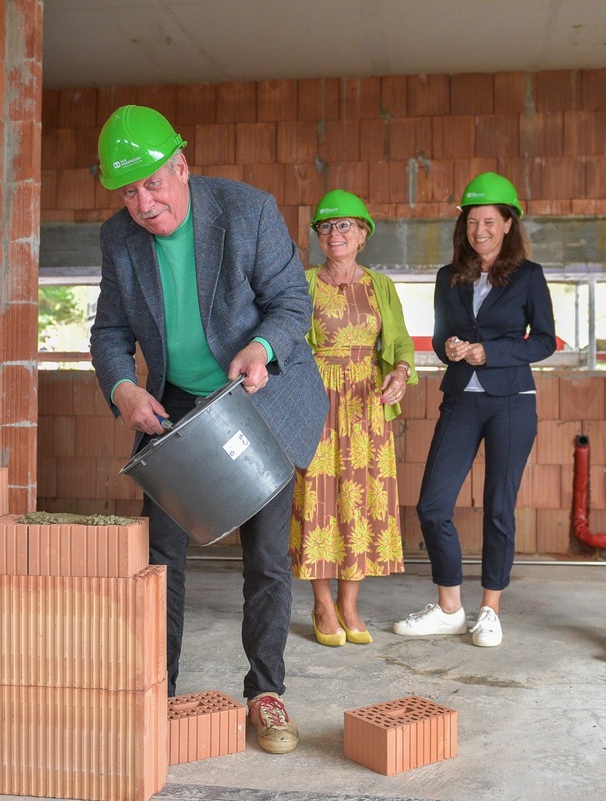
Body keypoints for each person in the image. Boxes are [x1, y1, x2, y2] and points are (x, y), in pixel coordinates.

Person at [89, 105, 327, 752]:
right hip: (174, 406)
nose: (142, 203)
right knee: (162, 556)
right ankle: (159, 693)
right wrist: (123, 387)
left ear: (182, 167)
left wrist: (261, 349)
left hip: (256, 394)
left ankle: (267, 692)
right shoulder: (119, 238)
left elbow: (291, 302)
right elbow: (110, 329)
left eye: (153, 185)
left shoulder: (245, 211)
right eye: (129, 191)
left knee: (267, 558)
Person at [393, 173, 556, 647]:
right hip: (462, 398)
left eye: (489, 220)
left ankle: (490, 610)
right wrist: (452, 346)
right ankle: (449, 608)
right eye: (471, 221)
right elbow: (443, 342)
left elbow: (544, 340)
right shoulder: (449, 277)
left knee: (499, 508)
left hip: (512, 402)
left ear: (508, 224)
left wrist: (493, 353)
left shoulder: (529, 275)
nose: (479, 230)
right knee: (433, 505)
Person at [290, 190, 414, 647]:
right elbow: (289, 340)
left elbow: (399, 343)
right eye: (326, 226)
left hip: (366, 403)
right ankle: (322, 602)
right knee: (318, 496)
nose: (334, 233)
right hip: (317, 397)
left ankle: (349, 603)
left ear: (363, 234)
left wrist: (400, 372)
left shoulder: (380, 285)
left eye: (345, 225)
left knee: (360, 498)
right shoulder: (303, 282)